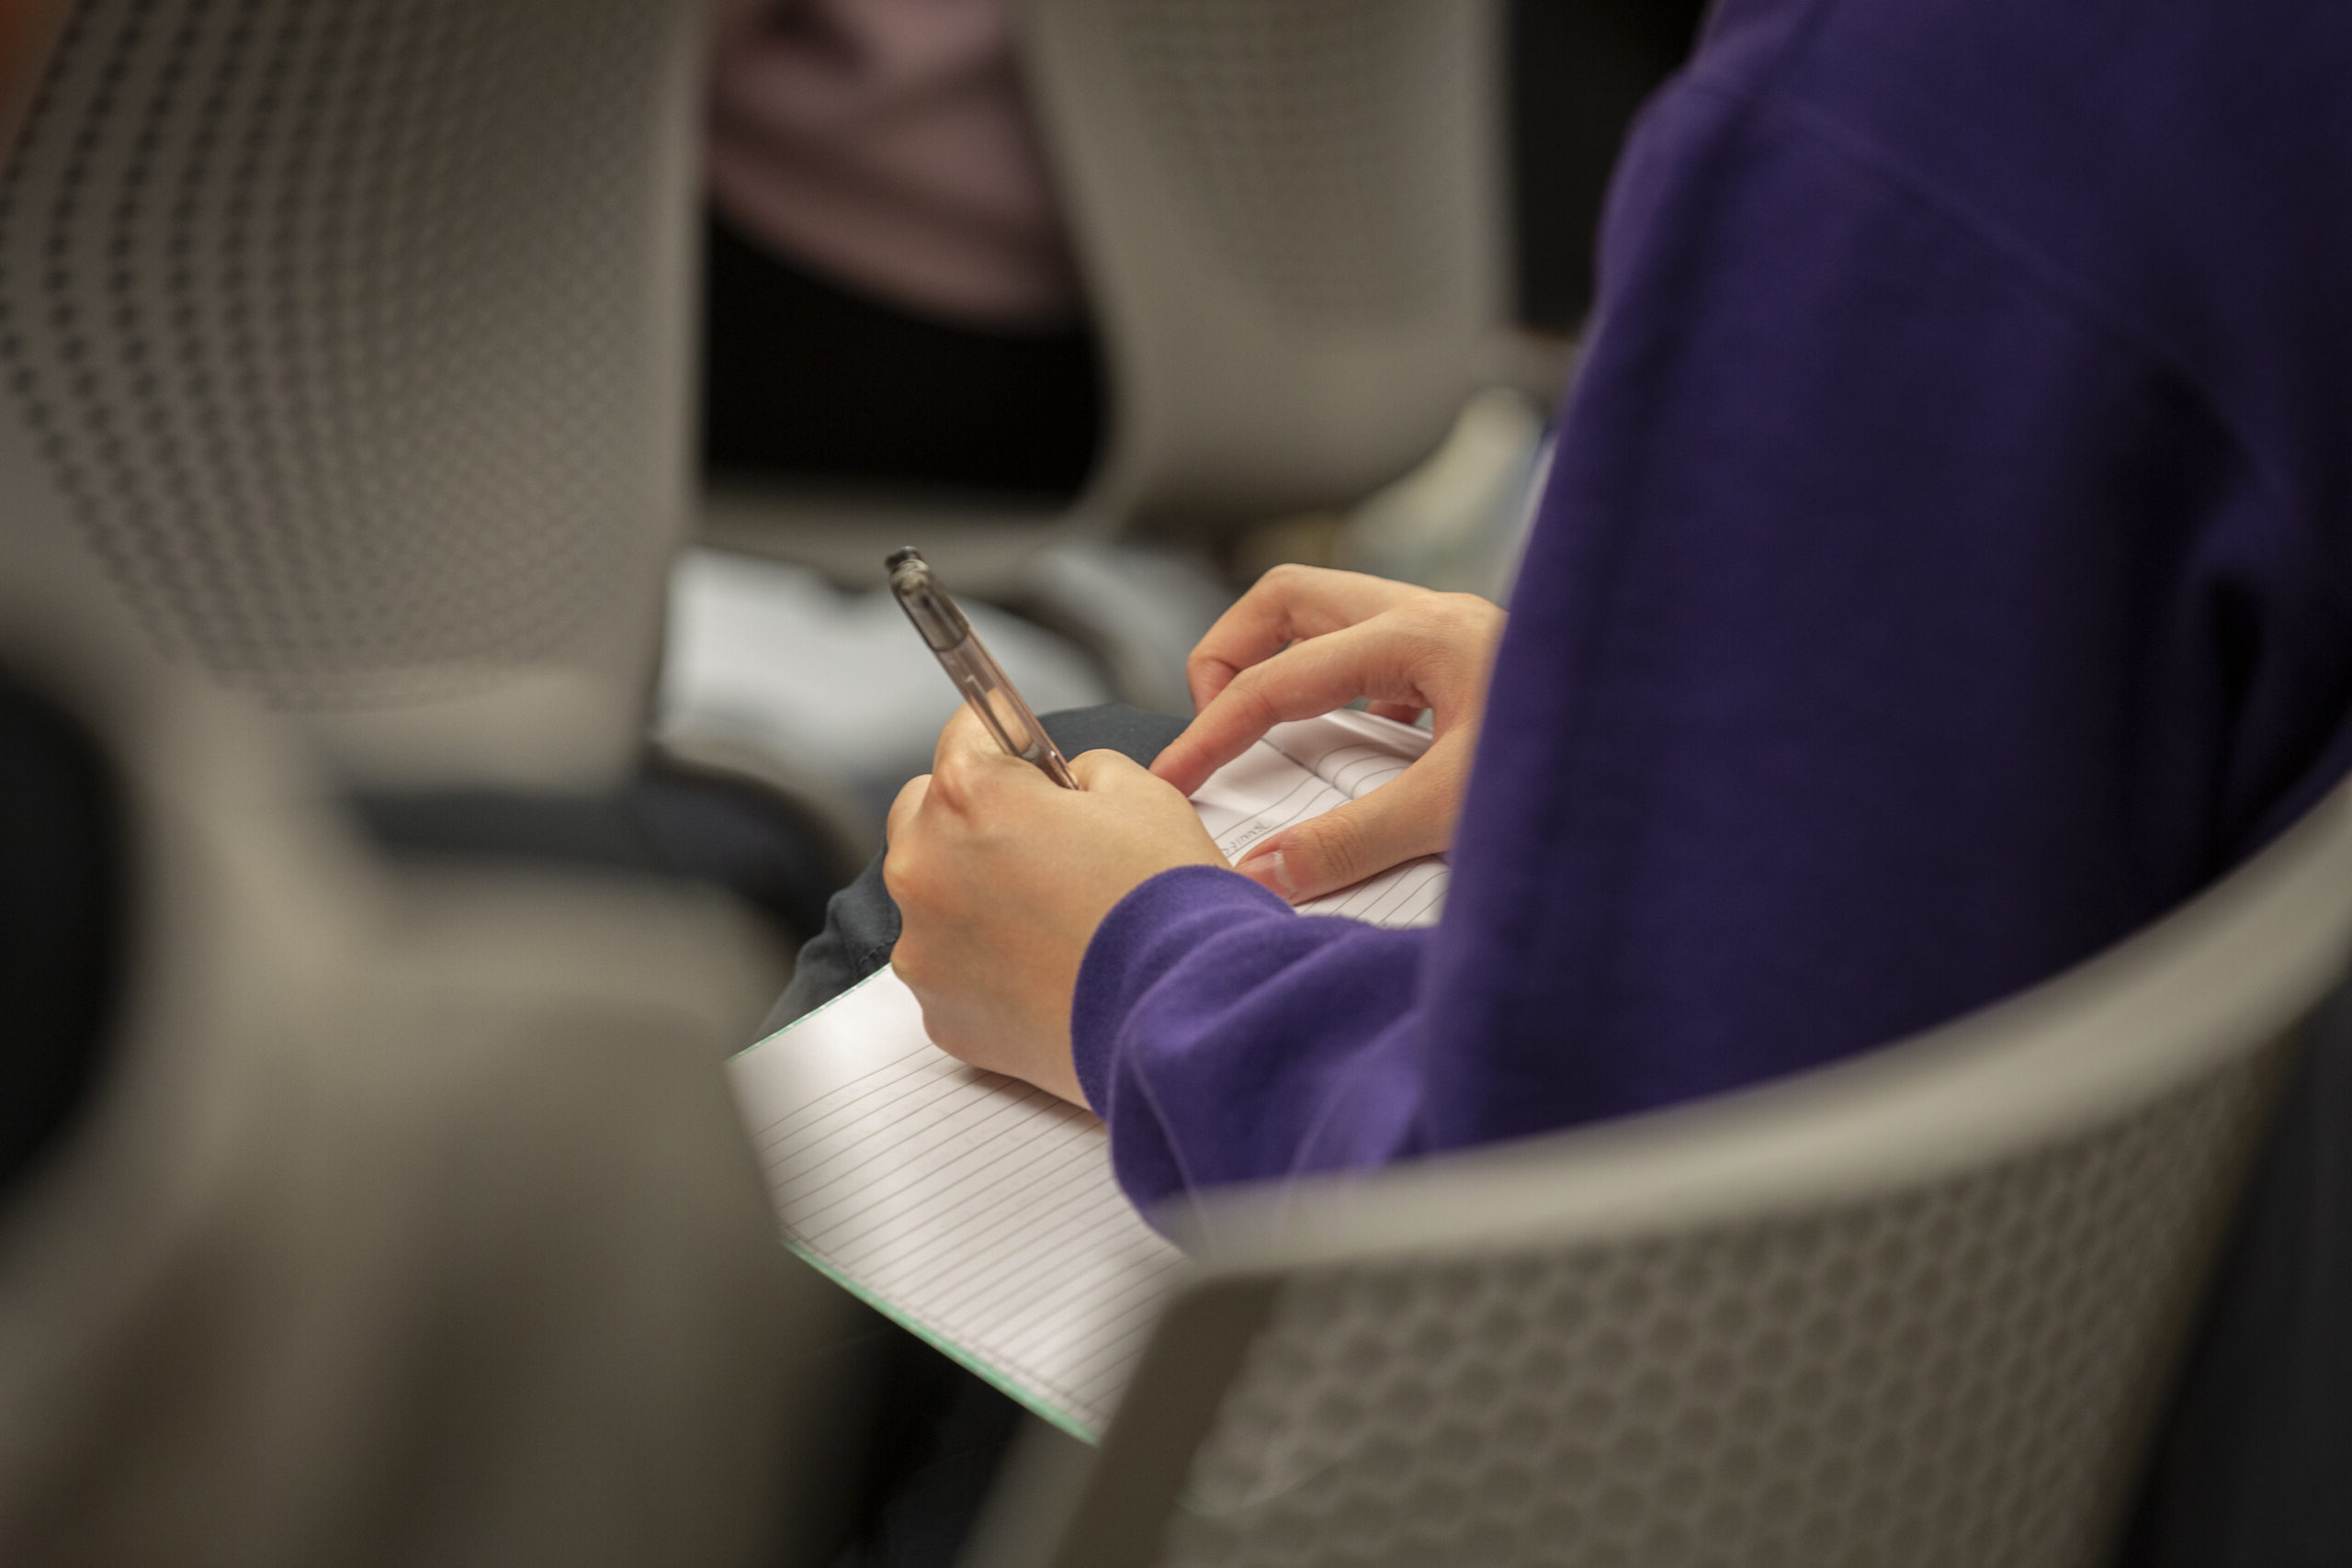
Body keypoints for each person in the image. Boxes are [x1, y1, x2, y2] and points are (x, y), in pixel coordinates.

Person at [880, 0, 2352, 1211]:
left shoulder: (1897, 119)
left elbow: (1590, 1225)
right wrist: (1711, 680)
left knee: (894, 942)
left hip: (1946, 1428)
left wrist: (1143, 980)